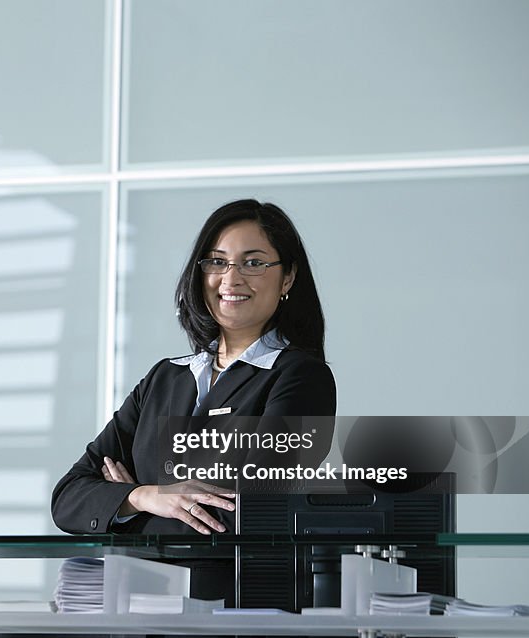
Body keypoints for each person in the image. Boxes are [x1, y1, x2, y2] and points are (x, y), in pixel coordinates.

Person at [51, 199, 336, 538]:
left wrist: (122, 505)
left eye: (253, 263)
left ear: (287, 278)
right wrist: (146, 495)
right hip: (136, 590)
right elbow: (68, 498)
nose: (231, 279)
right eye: (217, 262)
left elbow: (247, 515)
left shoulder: (301, 378)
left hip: (231, 590)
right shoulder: (164, 378)